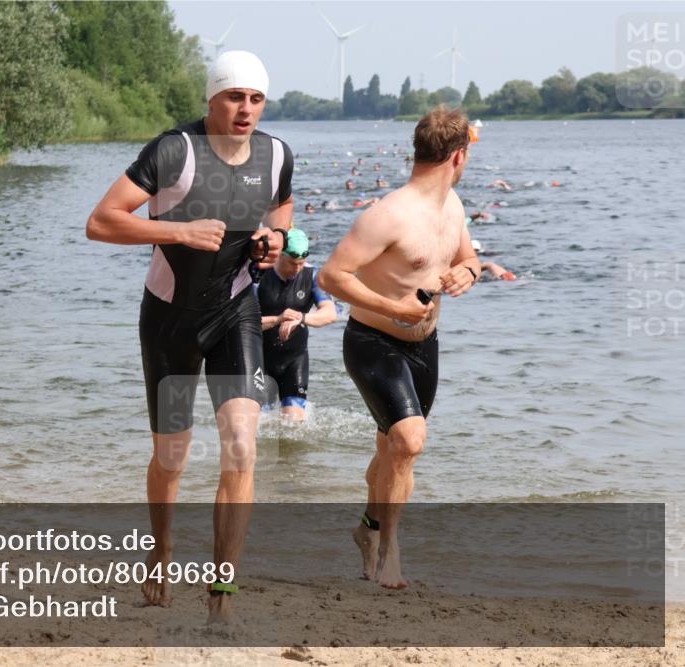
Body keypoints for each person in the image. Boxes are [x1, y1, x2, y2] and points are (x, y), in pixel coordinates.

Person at [86, 50, 293, 623]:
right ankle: (162, 548)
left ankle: (222, 593)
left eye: (255, 99)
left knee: (242, 445)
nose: (245, 109)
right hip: (170, 321)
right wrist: (180, 230)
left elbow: (281, 211)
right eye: (234, 97)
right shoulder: (173, 149)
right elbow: (101, 222)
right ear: (211, 99)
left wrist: (274, 242)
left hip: (236, 312)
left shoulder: (277, 154)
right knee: (172, 457)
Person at [319, 106, 480, 589]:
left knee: (394, 451)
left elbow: (470, 257)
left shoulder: (452, 206)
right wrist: (391, 309)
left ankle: (367, 530)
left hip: (424, 346)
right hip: (372, 341)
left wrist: (465, 273)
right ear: (458, 155)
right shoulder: (388, 215)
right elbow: (330, 276)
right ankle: (390, 550)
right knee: (409, 441)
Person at [255, 229, 337, 421]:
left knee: (293, 425)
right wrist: (277, 319)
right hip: (260, 360)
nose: (297, 268)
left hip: (295, 360)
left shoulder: (312, 276)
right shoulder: (258, 276)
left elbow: (330, 313)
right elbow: (243, 324)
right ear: (279, 255)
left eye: (301, 263)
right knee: (258, 423)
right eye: (292, 263)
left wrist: (302, 317)